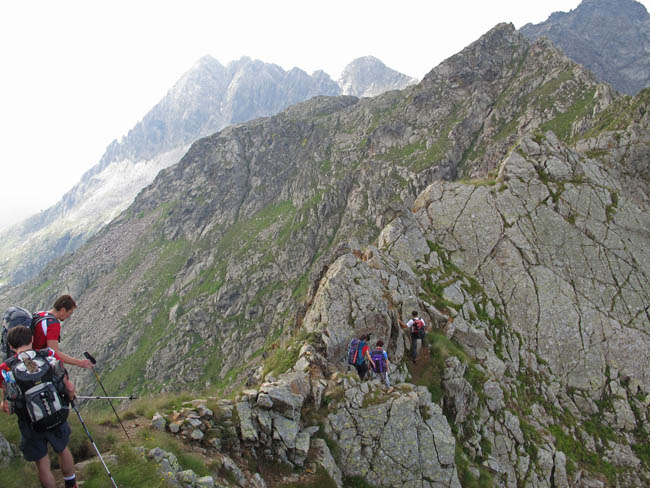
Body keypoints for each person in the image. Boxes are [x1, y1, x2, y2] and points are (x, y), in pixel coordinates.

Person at [0, 326, 79, 488]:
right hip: (56, 413)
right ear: (31, 340)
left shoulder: (5, 369)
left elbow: (7, 405)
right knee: (63, 449)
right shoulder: (48, 356)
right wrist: (70, 399)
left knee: (42, 462)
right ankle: (71, 484)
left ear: (10, 346)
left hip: (30, 423)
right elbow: (69, 388)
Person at [32, 295, 92, 369]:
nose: (69, 316)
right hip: (36, 362)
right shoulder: (53, 324)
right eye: (69, 313)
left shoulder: (39, 314)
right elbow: (54, 353)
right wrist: (79, 363)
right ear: (63, 310)